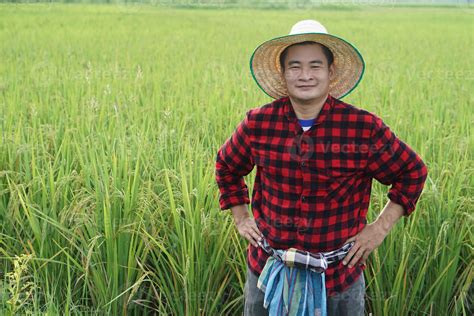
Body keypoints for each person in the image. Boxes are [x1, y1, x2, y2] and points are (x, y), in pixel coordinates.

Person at [215, 20, 428, 316]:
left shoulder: (361, 128)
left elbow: (412, 172)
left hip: (338, 278)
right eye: (295, 66)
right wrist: (241, 217)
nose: (305, 76)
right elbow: (227, 165)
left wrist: (379, 229)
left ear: (331, 72)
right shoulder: (258, 123)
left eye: (315, 66)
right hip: (267, 271)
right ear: (283, 72)